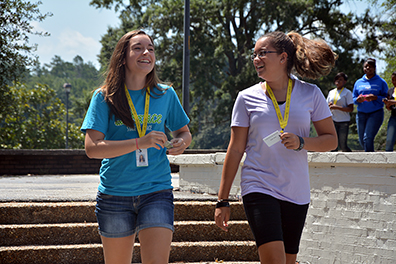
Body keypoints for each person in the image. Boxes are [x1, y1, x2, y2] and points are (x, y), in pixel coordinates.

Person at [214, 31, 337, 264]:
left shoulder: (311, 94)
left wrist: (302, 142)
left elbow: (331, 140)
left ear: (283, 58)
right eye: (254, 55)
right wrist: (222, 199)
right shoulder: (246, 98)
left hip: (297, 191)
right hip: (258, 185)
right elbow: (236, 149)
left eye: (263, 54)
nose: (256, 59)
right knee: (274, 260)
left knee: (289, 261)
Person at [81, 29, 192, 264]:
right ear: (123, 57)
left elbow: (184, 132)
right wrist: (139, 143)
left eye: (151, 49)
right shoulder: (104, 97)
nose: (146, 53)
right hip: (115, 194)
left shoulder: (165, 94)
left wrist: (182, 142)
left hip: (157, 190)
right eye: (138, 48)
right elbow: (92, 148)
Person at [352, 58, 388, 152]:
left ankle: (369, 162)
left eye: (370, 67)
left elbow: (386, 99)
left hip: (375, 113)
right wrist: (358, 100)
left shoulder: (381, 82)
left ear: (375, 68)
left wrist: (375, 97)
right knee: (362, 140)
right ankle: (371, 159)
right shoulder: (358, 82)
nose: (368, 68)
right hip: (361, 114)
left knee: (367, 137)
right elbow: (353, 99)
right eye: (366, 66)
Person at [326, 72, 354, 152]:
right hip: (333, 120)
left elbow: (350, 108)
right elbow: (326, 105)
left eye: (340, 80)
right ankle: (332, 164)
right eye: (336, 79)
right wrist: (329, 105)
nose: (338, 81)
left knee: (343, 145)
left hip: (343, 121)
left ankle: (351, 161)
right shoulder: (331, 92)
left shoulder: (347, 92)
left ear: (345, 82)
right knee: (333, 145)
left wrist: (337, 107)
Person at [383, 71, 396, 151]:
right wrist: (387, 104)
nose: (394, 82)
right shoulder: (390, 91)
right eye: (393, 80)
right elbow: (389, 108)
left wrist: (393, 102)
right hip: (394, 116)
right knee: (389, 140)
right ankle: (387, 161)